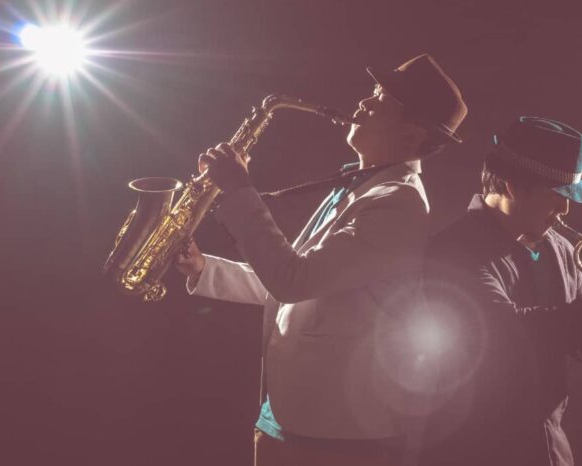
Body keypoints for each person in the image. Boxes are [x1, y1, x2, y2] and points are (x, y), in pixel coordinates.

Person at [175, 54, 467, 466]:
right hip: (288, 414)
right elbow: (294, 282)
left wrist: (240, 188)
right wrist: (206, 269)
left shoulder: (398, 202)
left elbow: (293, 279)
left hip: (335, 432)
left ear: (413, 133)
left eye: (382, 97)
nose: (364, 103)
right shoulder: (360, 187)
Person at [416, 117, 582, 466]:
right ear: (515, 186)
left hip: (549, 450)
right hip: (474, 450)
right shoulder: (454, 249)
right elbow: (500, 335)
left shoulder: (559, 248)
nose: (565, 210)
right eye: (557, 196)